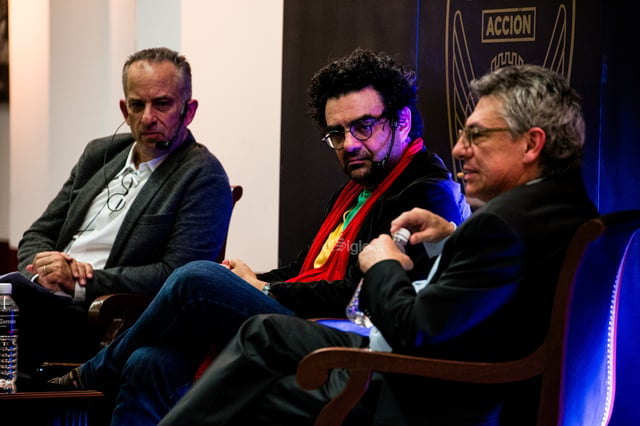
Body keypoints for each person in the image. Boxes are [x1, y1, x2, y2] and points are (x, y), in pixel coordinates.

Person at [157, 64, 599, 426]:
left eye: (477, 135)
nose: (460, 150)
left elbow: (415, 330)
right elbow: (487, 297)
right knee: (245, 340)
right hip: (451, 376)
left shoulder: (501, 222)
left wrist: (382, 264)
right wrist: (452, 239)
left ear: (531, 144)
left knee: (249, 361)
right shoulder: (566, 210)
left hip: (433, 395)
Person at [49, 48, 470, 424]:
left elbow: (363, 294)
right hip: (304, 313)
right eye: (336, 133)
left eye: (363, 127)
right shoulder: (355, 188)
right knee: (148, 361)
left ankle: (90, 376)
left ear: (401, 121)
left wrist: (266, 289)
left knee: (196, 277)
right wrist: (257, 278)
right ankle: (97, 374)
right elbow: (305, 268)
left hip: (340, 335)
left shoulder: (425, 192)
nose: (348, 144)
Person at [1, 47, 233, 375]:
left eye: (162, 104)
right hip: (42, 298)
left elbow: (175, 274)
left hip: (102, 316)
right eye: (137, 105)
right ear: (125, 110)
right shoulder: (99, 155)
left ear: (189, 110)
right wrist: (46, 270)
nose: (148, 117)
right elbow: (39, 233)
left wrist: (80, 282)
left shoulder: (202, 175)